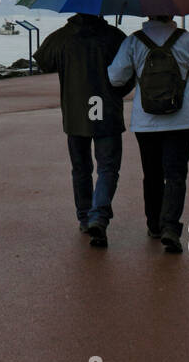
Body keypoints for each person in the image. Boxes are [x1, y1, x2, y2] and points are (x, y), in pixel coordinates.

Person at [107, 14, 189, 253]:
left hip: (146, 123)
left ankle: (154, 225)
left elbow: (116, 78)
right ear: (172, 13)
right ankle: (170, 226)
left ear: (148, 13)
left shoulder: (134, 41)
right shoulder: (187, 40)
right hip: (183, 121)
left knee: (152, 174)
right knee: (176, 175)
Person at [34, 13, 134, 248]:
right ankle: (98, 215)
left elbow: (43, 62)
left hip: (76, 115)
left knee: (81, 169)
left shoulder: (61, 37)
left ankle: (84, 217)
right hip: (107, 113)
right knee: (108, 167)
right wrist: (116, 93)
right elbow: (130, 72)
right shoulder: (115, 37)